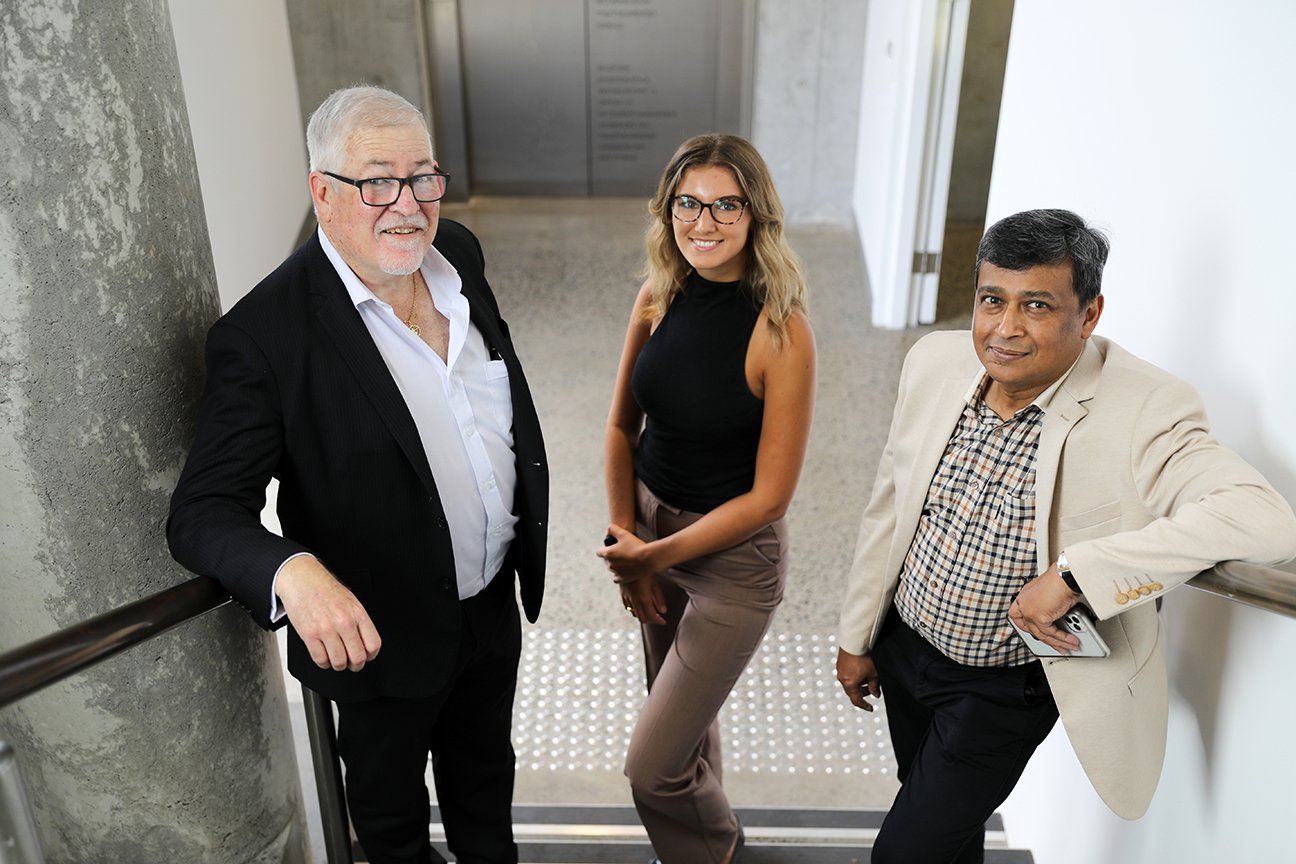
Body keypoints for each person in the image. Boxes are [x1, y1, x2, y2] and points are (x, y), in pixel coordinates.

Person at [834, 209, 1296, 864]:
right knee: (939, 821)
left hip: (1002, 688)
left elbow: (1264, 517)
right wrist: (856, 638)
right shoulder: (933, 362)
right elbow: (888, 507)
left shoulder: (1144, 408)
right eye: (992, 300)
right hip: (906, 650)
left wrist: (1077, 575)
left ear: (1090, 313)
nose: (1005, 329)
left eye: (1037, 306)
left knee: (904, 855)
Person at [167, 86, 548, 864]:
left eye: (423, 177)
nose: (407, 205)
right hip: (379, 645)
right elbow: (202, 511)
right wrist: (291, 570)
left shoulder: (460, 257)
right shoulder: (265, 336)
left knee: (487, 796)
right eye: (378, 181)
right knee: (392, 830)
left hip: (491, 609)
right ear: (322, 193)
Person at [597, 134, 816, 864]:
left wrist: (650, 558)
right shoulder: (658, 293)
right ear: (668, 211)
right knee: (685, 735)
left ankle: (717, 851)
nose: (705, 222)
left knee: (653, 766)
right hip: (652, 530)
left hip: (731, 563)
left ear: (757, 215)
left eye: (727, 205)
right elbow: (621, 427)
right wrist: (629, 539)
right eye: (689, 203)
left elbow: (770, 499)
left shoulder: (781, 330)